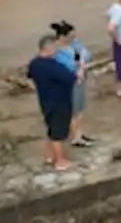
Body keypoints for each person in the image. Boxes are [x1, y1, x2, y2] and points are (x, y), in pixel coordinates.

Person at [29, 34, 78, 170]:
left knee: (51, 129)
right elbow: (71, 78)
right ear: (49, 48)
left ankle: (49, 156)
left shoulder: (34, 63)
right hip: (59, 103)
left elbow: (31, 79)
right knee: (58, 133)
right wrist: (78, 73)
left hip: (45, 101)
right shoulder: (53, 66)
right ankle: (60, 161)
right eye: (55, 48)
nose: (57, 51)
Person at [51, 21, 92, 147]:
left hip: (80, 80)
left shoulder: (74, 44)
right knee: (73, 111)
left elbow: (87, 53)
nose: (74, 39)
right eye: (71, 36)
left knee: (80, 109)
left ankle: (80, 133)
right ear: (63, 37)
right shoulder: (56, 51)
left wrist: (81, 64)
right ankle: (76, 137)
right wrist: (79, 65)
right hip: (69, 84)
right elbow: (66, 67)